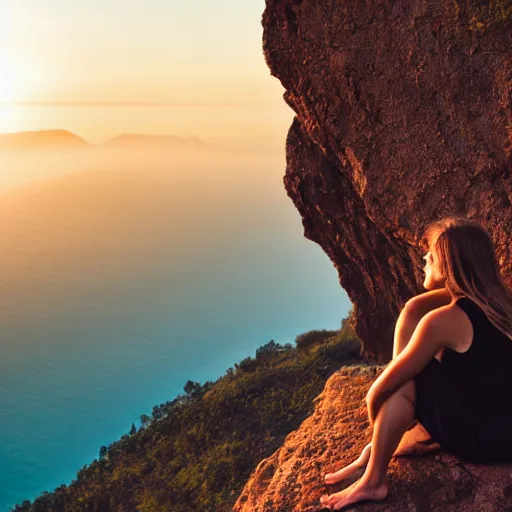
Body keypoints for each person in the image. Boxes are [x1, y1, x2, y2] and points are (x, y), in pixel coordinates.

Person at [319, 216, 512, 510]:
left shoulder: (443, 321)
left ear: (447, 267)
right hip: (504, 430)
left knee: (407, 377)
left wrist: (380, 419)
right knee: (411, 339)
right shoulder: (500, 301)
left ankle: (373, 481)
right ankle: (392, 441)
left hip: (485, 440)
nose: (424, 257)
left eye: (431, 256)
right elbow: (415, 308)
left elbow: (383, 388)